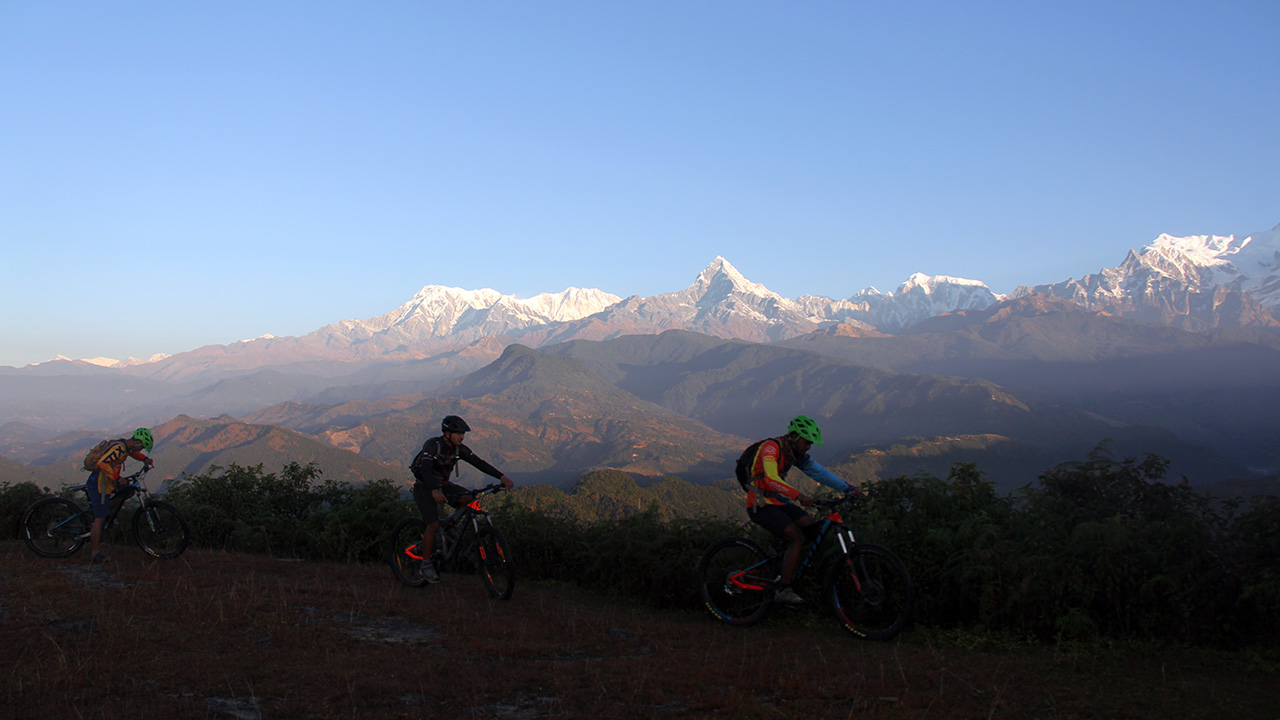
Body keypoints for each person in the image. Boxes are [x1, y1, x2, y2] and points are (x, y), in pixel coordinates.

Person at [742, 415, 852, 605]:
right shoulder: (771, 448)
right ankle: (784, 589)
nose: (809, 446)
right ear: (794, 436)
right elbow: (771, 479)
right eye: (807, 442)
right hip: (759, 504)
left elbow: (819, 472)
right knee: (797, 537)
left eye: (811, 443)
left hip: (777, 501)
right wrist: (799, 496)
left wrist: (847, 488)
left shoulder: (795, 454)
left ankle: (780, 559)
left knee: (813, 529)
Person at [409, 415, 513, 583]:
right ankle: (426, 564)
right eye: (458, 433)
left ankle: (450, 527)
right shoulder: (432, 445)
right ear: (447, 433)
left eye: (463, 434)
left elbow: (479, 463)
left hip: (443, 485)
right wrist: (434, 490)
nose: (461, 437)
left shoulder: (460, 449)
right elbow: (426, 469)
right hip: (424, 487)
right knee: (433, 525)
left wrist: (502, 477)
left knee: (468, 499)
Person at [85, 427, 155, 564]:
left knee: (129, 491)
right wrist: (116, 478)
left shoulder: (125, 447)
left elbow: (133, 454)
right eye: (142, 447)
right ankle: (94, 553)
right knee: (99, 519)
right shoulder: (119, 448)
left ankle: (106, 510)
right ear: (137, 442)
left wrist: (145, 459)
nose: (140, 450)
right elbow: (102, 463)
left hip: (107, 482)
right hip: (99, 484)